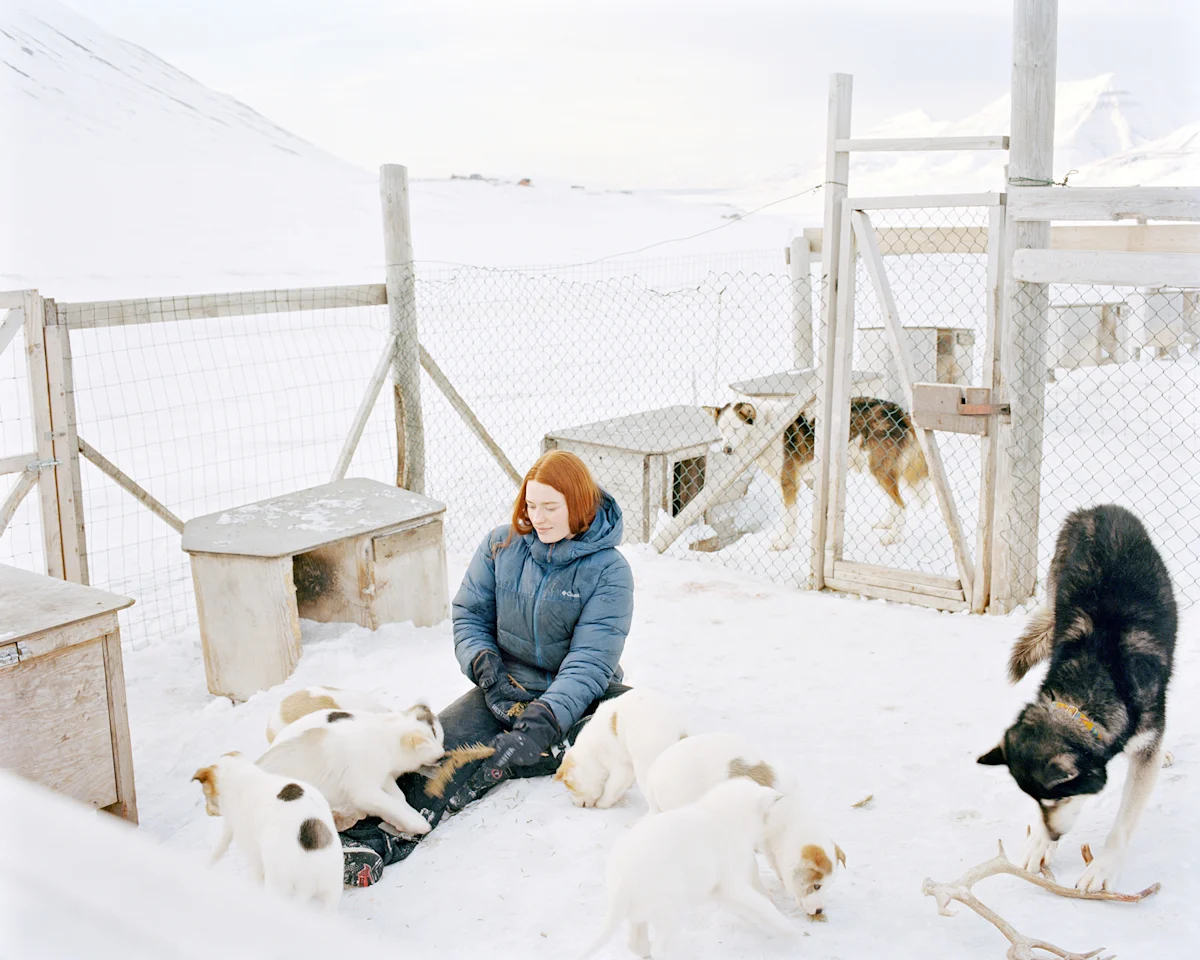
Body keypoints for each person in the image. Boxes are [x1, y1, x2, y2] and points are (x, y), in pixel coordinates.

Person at [340, 450, 634, 886]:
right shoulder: (501, 546)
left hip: (579, 694)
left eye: (552, 507)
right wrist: (486, 668)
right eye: (532, 506)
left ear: (580, 503)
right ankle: (371, 838)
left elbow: (591, 661)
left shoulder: (610, 571)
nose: (539, 517)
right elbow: (469, 614)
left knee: (635, 722)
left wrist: (547, 718)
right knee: (433, 752)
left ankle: (552, 743)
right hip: (506, 686)